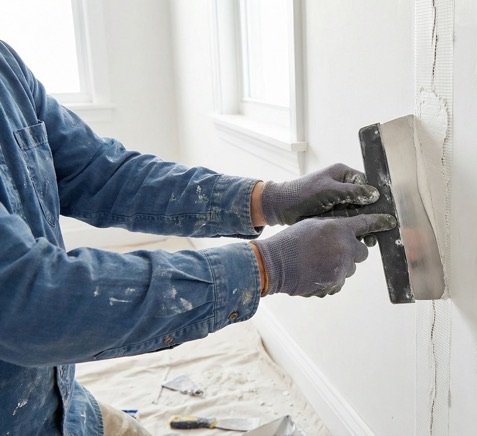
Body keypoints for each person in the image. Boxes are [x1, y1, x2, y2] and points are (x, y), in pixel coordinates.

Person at [0, 40, 395, 435]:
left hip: (65, 408)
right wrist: (267, 267)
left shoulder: (6, 67)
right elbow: (34, 302)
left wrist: (266, 200)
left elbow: (100, 171)